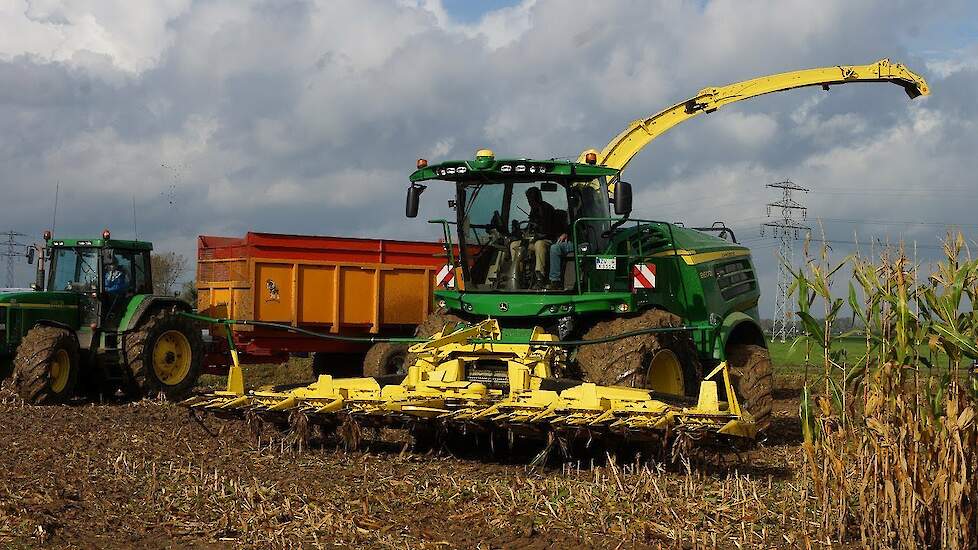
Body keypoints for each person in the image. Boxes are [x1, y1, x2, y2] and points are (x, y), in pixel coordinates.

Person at [509, 187, 563, 288]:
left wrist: (536, 233)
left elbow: (547, 230)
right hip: (533, 241)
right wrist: (521, 231)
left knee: (539, 244)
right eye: (528, 199)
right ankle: (518, 275)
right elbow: (530, 227)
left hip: (547, 241)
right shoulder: (533, 210)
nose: (529, 202)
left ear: (536, 198)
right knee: (514, 245)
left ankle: (540, 277)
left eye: (530, 199)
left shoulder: (547, 209)